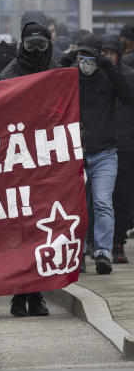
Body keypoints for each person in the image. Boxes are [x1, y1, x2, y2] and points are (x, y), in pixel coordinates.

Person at [61, 34, 134, 276]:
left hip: (105, 152)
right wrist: (68, 65)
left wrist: (109, 69)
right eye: (82, 57)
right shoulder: (71, 76)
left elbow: (128, 95)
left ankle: (103, 252)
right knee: (78, 205)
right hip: (76, 152)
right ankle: (78, 253)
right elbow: (54, 96)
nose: (86, 62)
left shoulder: (107, 76)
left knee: (103, 202)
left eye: (90, 57)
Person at [0, 17, 55, 316]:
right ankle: (20, 295)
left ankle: (37, 295)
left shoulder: (57, 73)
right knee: (19, 232)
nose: (35, 51)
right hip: (18, 162)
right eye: (30, 45)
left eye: (41, 45)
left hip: (48, 163)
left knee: (41, 231)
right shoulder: (10, 73)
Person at [101, 35, 134, 265]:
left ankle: (118, 243)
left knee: (122, 198)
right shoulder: (94, 78)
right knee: (102, 200)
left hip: (125, 146)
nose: (107, 58)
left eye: (111, 53)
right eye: (104, 53)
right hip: (102, 145)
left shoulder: (128, 77)